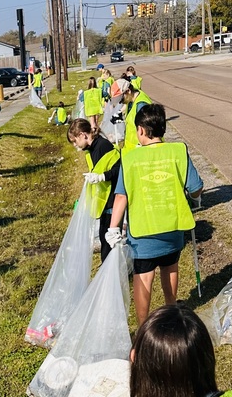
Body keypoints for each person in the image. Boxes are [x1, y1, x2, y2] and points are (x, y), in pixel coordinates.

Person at [106, 104, 202, 325]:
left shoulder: (130, 158)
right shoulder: (178, 151)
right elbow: (196, 187)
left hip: (143, 232)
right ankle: (171, 312)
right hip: (173, 228)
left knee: (144, 276)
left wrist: (113, 228)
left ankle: (143, 326)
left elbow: (121, 197)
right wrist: (194, 199)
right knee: (170, 268)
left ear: (140, 130)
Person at [68, 117, 121, 261]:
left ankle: (110, 267)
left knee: (108, 239)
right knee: (104, 237)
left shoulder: (103, 146)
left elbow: (118, 169)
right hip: (103, 200)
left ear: (82, 135)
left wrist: (102, 177)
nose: (75, 145)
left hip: (111, 199)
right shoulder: (90, 150)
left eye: (75, 141)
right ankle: (107, 265)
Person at [120, 83, 153, 154]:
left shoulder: (141, 105)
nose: (121, 102)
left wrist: (142, 146)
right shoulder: (132, 99)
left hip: (140, 147)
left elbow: (148, 129)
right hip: (131, 146)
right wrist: (119, 113)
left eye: (121, 98)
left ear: (128, 91)